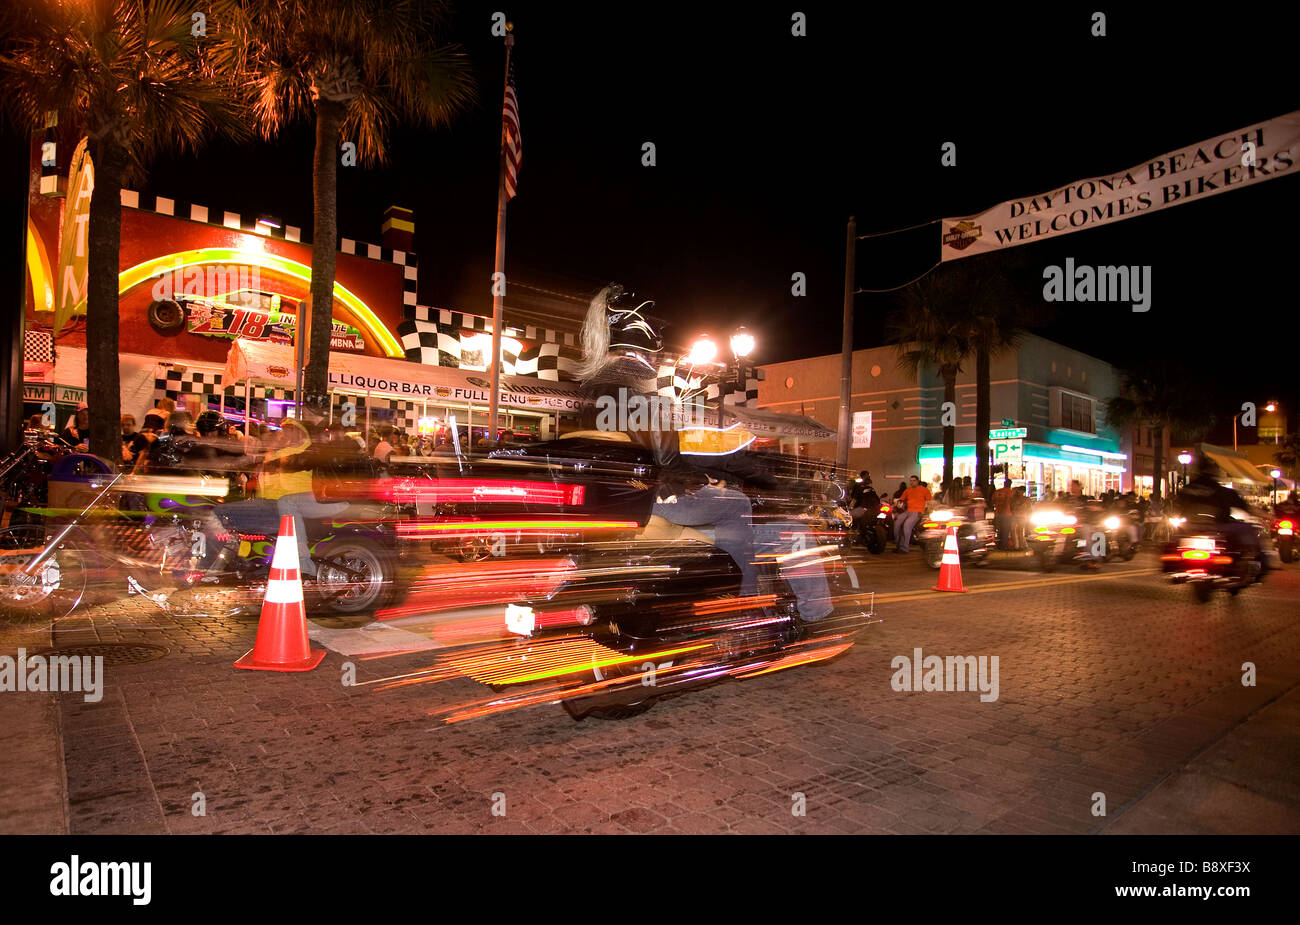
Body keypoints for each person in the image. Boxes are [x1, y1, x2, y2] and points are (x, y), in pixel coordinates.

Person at [894, 474, 931, 554]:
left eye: (914, 480)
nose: (912, 482)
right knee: (897, 523)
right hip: (907, 511)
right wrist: (899, 504)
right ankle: (898, 545)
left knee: (906, 525)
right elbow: (901, 500)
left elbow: (929, 502)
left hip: (917, 511)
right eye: (910, 481)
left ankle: (904, 548)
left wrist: (924, 512)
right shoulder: (908, 490)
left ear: (917, 481)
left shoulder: (924, 490)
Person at [992, 477, 1014, 548]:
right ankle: (1004, 545)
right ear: (1010, 484)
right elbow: (1008, 501)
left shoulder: (997, 491)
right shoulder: (1009, 491)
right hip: (1006, 513)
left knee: (998, 529)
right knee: (1005, 530)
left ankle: (998, 544)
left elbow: (992, 501)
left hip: (997, 513)